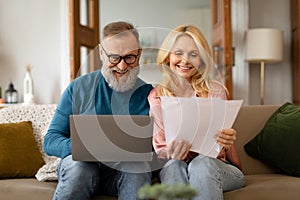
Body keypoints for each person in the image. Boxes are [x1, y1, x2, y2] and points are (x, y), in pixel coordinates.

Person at [44, 21, 153, 200]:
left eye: (129, 57)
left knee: (138, 167)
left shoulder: (149, 94)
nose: (122, 66)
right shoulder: (78, 87)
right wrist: (83, 148)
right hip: (81, 168)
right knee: (80, 166)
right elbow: (51, 140)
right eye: (114, 58)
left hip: (123, 173)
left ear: (139, 53)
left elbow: (158, 146)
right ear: (102, 53)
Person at [148, 25, 245, 200]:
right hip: (176, 164)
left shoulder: (215, 91)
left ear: (201, 59)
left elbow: (219, 146)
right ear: (167, 56)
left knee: (201, 164)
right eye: (178, 53)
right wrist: (172, 153)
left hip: (218, 166)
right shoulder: (157, 96)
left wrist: (226, 139)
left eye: (193, 54)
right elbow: (160, 148)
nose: (185, 60)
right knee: (172, 166)